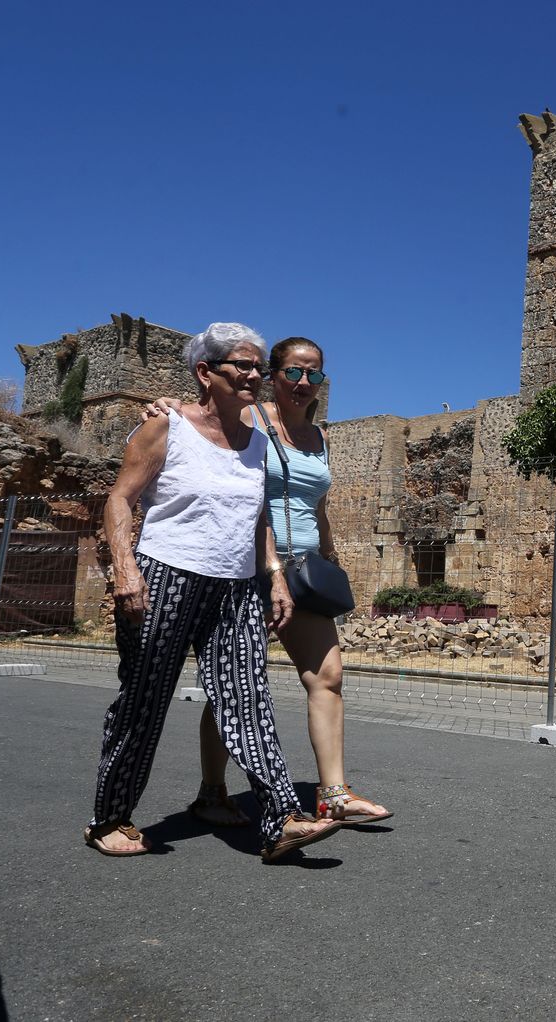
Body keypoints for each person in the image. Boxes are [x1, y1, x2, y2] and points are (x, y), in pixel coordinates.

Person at [86, 323, 338, 862]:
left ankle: (282, 819)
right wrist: (125, 570)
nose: (254, 376)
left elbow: (260, 515)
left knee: (248, 698)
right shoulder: (165, 426)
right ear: (206, 372)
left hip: (237, 587)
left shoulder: (259, 441)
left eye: (256, 367)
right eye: (242, 366)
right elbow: (120, 499)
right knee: (144, 701)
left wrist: (274, 575)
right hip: (165, 577)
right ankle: (109, 817)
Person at [149, 336, 391, 827]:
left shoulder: (320, 438)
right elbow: (199, 417)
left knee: (328, 677)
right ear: (272, 375)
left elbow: (318, 506)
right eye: (293, 372)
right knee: (234, 686)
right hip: (248, 567)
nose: (304, 382)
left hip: (304, 570)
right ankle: (213, 793)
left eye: (314, 374)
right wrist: (166, 403)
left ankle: (334, 794)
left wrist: (330, 556)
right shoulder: (249, 418)